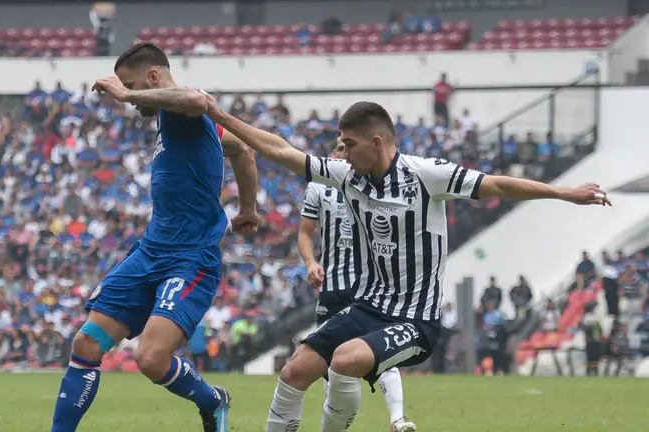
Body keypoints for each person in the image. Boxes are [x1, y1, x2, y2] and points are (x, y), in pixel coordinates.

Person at [201, 99, 610, 432]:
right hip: (367, 306)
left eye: (349, 143)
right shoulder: (347, 176)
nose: (341, 151)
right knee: (294, 371)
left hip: (417, 320)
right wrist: (219, 115)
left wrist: (563, 193)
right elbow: (280, 150)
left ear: (376, 142)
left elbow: (497, 184)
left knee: (345, 360)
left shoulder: (426, 174)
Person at [49, 42, 259, 432]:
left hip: (190, 258)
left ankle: (212, 402)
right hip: (149, 252)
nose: (131, 102)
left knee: (150, 359)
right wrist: (247, 209)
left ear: (153, 78)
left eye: (133, 87)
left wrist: (127, 92)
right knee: (86, 344)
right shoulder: (174, 120)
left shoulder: (184, 110)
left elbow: (197, 98)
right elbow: (243, 151)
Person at [299, 138, 415, 431]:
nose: (344, 154)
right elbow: (304, 233)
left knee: (383, 351)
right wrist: (311, 263)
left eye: (348, 148)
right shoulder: (318, 187)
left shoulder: (376, 186)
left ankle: (398, 419)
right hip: (334, 289)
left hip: (370, 288)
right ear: (332, 154)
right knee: (327, 362)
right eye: (339, 149)